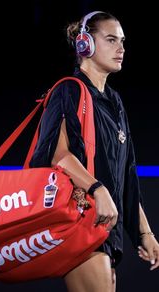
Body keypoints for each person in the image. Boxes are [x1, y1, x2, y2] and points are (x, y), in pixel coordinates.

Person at [29, 10, 159, 292]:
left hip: (103, 229)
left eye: (123, 41)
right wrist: (97, 189)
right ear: (84, 44)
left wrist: (144, 232)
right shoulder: (69, 90)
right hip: (79, 222)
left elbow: (125, 175)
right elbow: (57, 155)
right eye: (111, 40)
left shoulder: (115, 102)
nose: (121, 49)